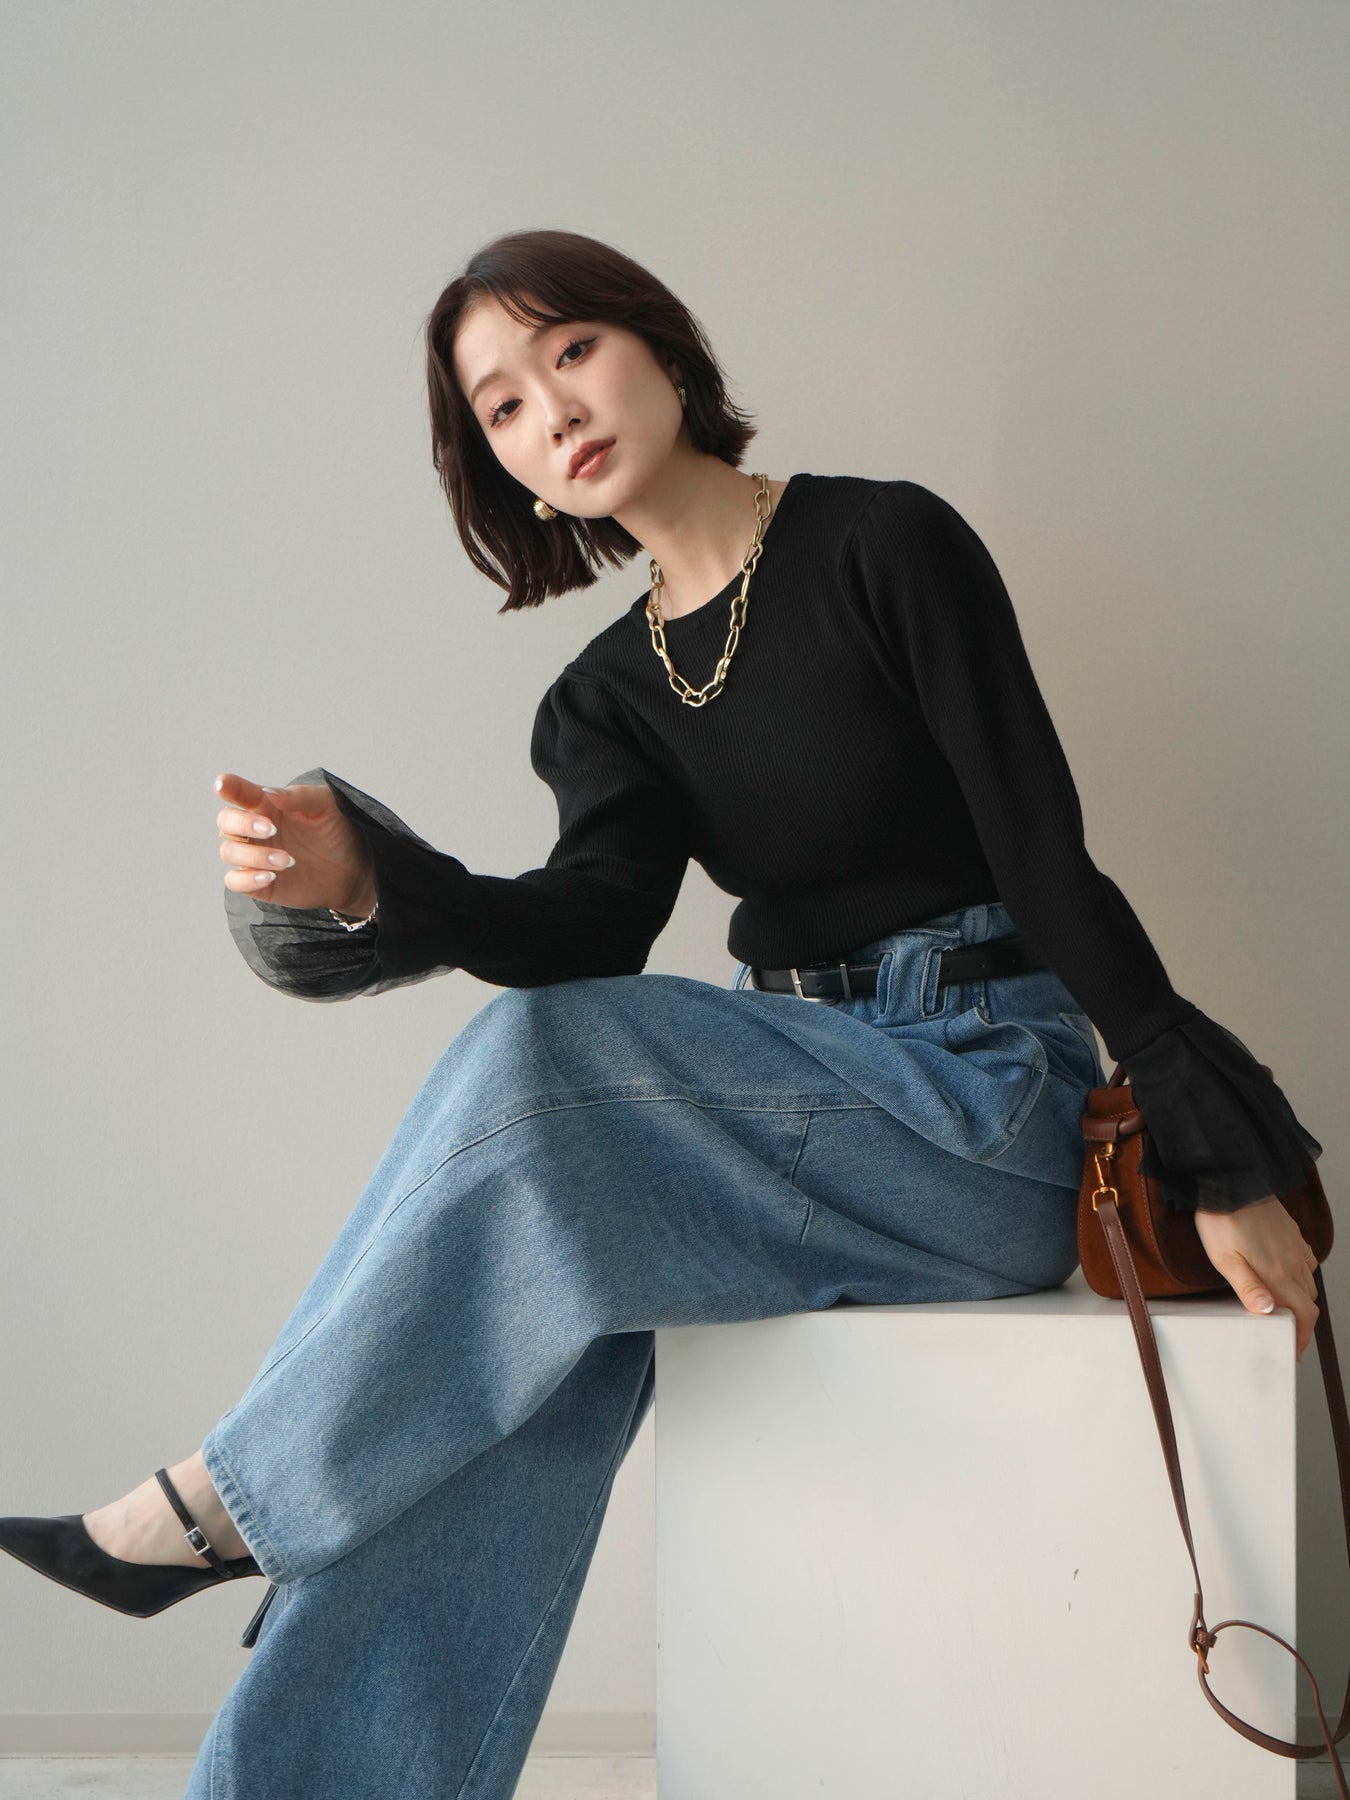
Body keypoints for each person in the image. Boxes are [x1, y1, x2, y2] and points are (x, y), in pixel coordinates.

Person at [0, 227, 1325, 1798]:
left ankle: (229, 1496)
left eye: (569, 350)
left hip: (977, 1102)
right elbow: (588, 932)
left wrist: (1208, 1137)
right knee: (505, 1360)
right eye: (501, 405)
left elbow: (1044, 852)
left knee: (536, 1069)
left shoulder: (883, 543)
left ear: (661, 349)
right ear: (499, 471)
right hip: (791, 1112)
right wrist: (372, 881)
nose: (552, 410)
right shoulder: (603, 699)